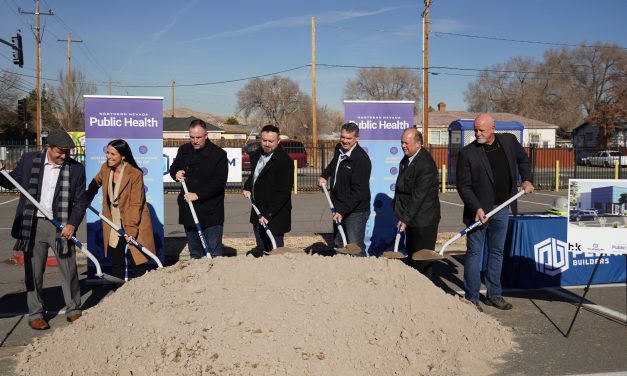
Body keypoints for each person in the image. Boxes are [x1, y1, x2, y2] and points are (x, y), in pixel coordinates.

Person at [0, 130, 86, 330]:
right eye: (60, 152)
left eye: (67, 152)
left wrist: (72, 224)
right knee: (34, 272)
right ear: (49, 147)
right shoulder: (29, 161)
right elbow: (10, 182)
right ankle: (36, 313)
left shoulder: (76, 170)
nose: (64, 156)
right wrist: (1, 171)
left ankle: (73, 309)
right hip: (33, 224)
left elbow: (81, 202)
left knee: (69, 269)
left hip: (61, 224)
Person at [456, 113, 534, 312]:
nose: (478, 133)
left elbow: (523, 160)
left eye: (481, 130)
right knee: (474, 252)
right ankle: (472, 298)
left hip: (502, 207)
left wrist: (526, 179)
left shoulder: (508, 141)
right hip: (479, 212)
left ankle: (494, 294)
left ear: (493, 128)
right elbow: (463, 186)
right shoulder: (468, 153)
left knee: (497, 252)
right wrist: (477, 208)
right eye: (475, 130)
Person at [86, 139, 155, 280]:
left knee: (136, 260)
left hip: (134, 221)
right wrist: (85, 199)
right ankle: (118, 294)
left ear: (123, 156)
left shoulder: (135, 174)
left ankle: (140, 294)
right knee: (116, 260)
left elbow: (136, 204)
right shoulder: (105, 168)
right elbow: (95, 183)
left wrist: (131, 231)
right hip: (114, 221)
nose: (108, 157)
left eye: (113, 154)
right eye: (107, 153)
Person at [170, 119, 228, 259]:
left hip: (211, 211)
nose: (195, 141)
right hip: (189, 209)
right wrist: (176, 173)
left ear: (206, 135)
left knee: (214, 254)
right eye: (192, 137)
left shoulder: (218, 154)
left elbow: (219, 182)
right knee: (195, 254)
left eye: (198, 137)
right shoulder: (183, 150)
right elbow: (174, 168)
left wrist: (198, 195)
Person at [392, 128, 440, 276]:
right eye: (402, 142)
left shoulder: (425, 164)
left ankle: (426, 293)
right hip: (412, 218)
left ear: (418, 144)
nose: (403, 146)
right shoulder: (407, 158)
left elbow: (419, 196)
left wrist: (405, 219)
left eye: (407, 143)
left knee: (422, 261)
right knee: (412, 259)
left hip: (424, 221)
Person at [318, 122, 371, 254]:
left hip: (356, 211)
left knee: (354, 248)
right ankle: (342, 272)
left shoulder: (361, 159)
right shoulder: (339, 149)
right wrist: (325, 175)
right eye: (343, 137)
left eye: (349, 138)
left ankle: (361, 273)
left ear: (356, 138)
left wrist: (341, 211)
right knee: (339, 243)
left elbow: (358, 192)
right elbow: (333, 164)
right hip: (338, 206)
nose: (345, 141)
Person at [243, 125, 293, 256]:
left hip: (274, 215)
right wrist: (247, 187)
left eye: (271, 141)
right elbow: (254, 176)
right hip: (257, 210)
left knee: (275, 251)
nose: (267, 144)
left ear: (278, 141)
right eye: (264, 140)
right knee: (261, 248)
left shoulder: (284, 161)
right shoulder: (256, 155)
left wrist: (268, 214)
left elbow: (284, 192)